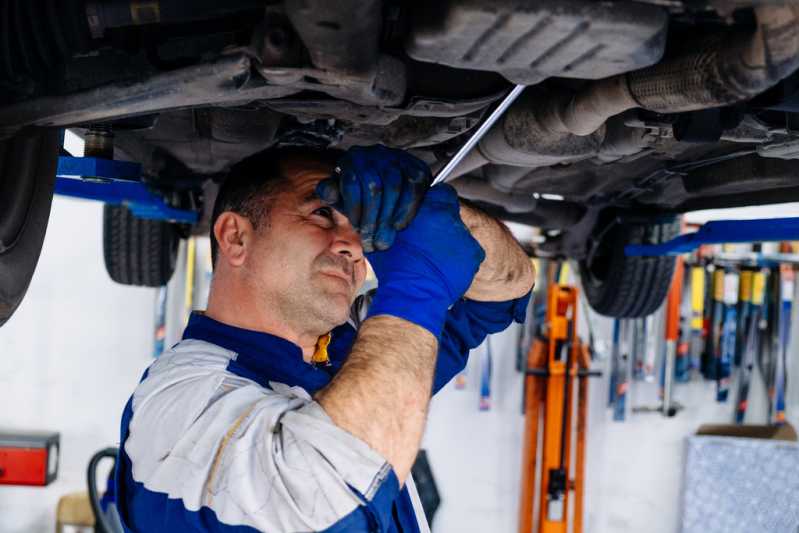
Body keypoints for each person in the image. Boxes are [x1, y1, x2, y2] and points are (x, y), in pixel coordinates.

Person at [114, 145, 535, 532]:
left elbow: (505, 289)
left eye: (362, 227)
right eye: (321, 214)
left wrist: (435, 214)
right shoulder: (183, 396)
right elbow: (326, 501)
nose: (354, 245)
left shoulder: (344, 351)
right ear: (235, 237)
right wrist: (416, 288)